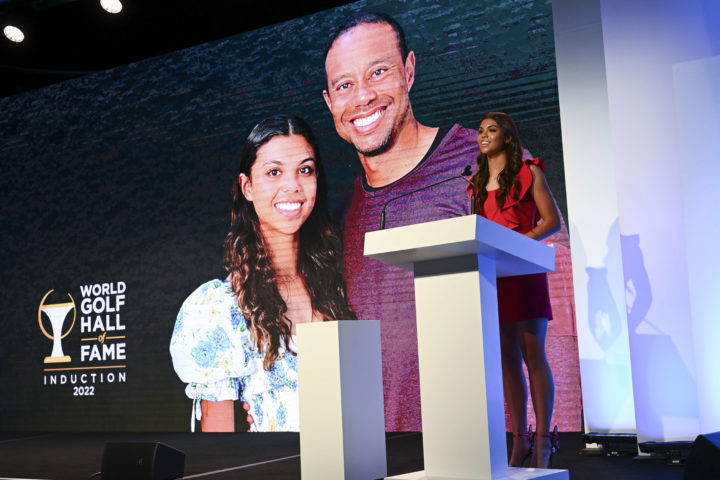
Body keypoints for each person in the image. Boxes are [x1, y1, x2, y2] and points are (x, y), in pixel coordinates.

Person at [322, 12, 535, 431]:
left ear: (410, 71)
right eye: (344, 85)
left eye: (378, 72)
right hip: (382, 458)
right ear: (330, 103)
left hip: (488, 458)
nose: (362, 97)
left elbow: (553, 314)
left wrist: (548, 443)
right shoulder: (339, 216)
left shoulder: (486, 165)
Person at [170, 115, 355, 432]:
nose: (292, 185)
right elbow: (220, 453)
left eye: (305, 170)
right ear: (248, 186)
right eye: (274, 172)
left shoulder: (339, 283)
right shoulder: (218, 307)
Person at [470, 111, 561, 468]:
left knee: (532, 353)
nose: (483, 135)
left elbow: (552, 221)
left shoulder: (528, 173)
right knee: (507, 359)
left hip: (524, 271)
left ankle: (543, 442)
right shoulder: (475, 183)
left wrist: (523, 243)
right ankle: (519, 441)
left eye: (491, 130)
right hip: (495, 275)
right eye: (480, 131)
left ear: (508, 137)